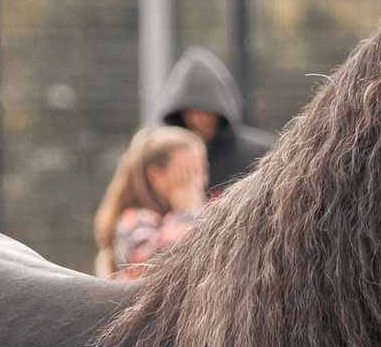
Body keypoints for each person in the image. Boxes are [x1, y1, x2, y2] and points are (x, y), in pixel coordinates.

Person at [157, 45, 275, 195]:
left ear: (220, 110)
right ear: (180, 113)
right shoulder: (165, 160)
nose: (199, 120)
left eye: (206, 112)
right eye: (192, 111)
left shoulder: (261, 155)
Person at [93, 127, 208, 279]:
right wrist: (185, 214)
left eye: (202, 171)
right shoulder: (133, 221)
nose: (199, 182)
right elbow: (158, 273)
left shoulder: (198, 215)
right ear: (156, 176)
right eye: (187, 174)